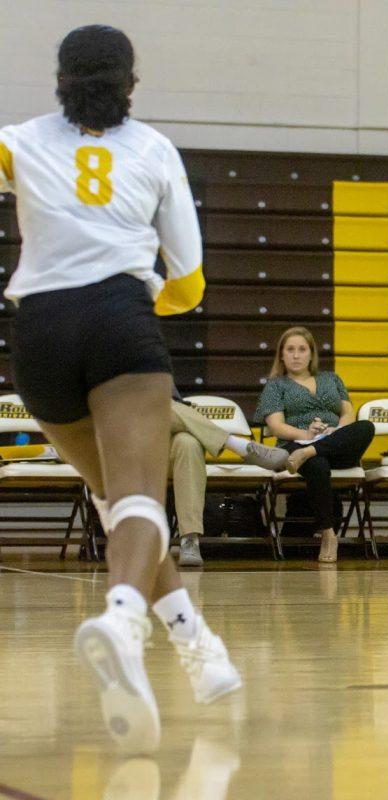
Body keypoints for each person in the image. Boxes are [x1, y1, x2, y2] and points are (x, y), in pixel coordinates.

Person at [1, 25, 240, 754]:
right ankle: (123, 620)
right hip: (117, 319)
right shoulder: (155, 150)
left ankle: (198, 649)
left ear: (61, 80)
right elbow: (190, 282)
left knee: (115, 499)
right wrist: (134, 310)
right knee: (143, 500)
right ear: (130, 83)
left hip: (36, 331)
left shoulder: (18, 140)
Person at [254, 326, 375, 563]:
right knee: (317, 463)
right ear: (281, 355)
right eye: (290, 349)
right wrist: (306, 434)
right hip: (294, 445)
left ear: (311, 354)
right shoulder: (275, 386)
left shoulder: (331, 378)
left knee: (366, 426)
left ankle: (311, 451)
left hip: (331, 444)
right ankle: (329, 535)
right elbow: (277, 426)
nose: (296, 355)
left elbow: (348, 413)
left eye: (302, 349)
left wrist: (334, 431)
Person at [169, 395, 289, 567]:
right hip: (131, 449)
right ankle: (235, 444)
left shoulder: (153, 372)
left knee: (188, 443)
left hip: (163, 438)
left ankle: (189, 539)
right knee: (155, 404)